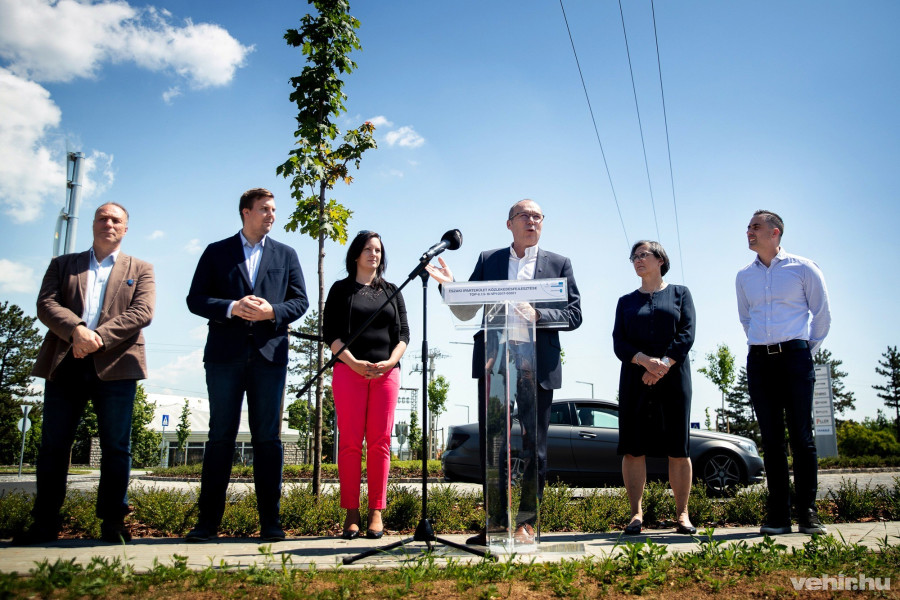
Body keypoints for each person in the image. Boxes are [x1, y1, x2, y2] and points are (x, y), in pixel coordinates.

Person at [426, 199, 582, 545]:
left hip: (535, 363)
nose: (532, 221)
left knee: (534, 445)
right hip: (495, 363)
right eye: (524, 215)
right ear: (509, 223)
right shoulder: (489, 260)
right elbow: (468, 311)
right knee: (493, 445)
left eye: (537, 216)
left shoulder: (559, 263)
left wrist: (539, 315)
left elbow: (574, 314)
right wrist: (450, 287)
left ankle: (527, 523)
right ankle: (495, 524)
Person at [15, 202, 155, 545]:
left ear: (125, 228)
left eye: (116, 220)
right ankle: (45, 523)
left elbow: (143, 312)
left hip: (117, 367)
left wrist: (97, 339)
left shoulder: (141, 268)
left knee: (116, 447)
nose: (109, 223)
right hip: (65, 363)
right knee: (53, 446)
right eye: (103, 218)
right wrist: (77, 331)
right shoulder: (63, 265)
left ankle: (113, 523)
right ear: (93, 224)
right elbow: (46, 305)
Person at [185, 188, 308, 542]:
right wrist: (230, 307)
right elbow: (195, 298)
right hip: (225, 357)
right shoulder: (216, 252)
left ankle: (271, 522)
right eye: (264, 209)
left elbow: (300, 301)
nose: (271, 215)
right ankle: (207, 523)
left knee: (268, 440)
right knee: (219, 437)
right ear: (245, 212)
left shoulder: (286, 254)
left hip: (269, 357)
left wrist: (274, 311)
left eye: (273, 210)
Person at [736, 210, 830, 535]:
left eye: (755, 227)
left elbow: (822, 316)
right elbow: (746, 319)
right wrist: (766, 348)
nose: (749, 231)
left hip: (795, 358)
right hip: (760, 361)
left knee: (802, 439)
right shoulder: (743, 276)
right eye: (748, 227)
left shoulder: (804, 268)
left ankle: (807, 513)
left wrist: (801, 351)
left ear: (775, 232)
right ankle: (778, 515)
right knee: (772, 441)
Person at [323, 231, 409, 540]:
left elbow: (403, 335)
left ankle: (376, 511)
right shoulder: (340, 290)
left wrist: (390, 362)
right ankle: (351, 512)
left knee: (380, 442)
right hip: (349, 371)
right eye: (368, 249)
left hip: (386, 374)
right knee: (349, 443)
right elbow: (329, 333)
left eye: (378, 250)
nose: (374, 254)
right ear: (356, 254)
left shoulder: (392, 291)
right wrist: (352, 363)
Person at [612, 241, 696, 536]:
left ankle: (682, 515)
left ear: (661, 259)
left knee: (678, 447)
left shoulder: (680, 294)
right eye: (633, 256)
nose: (637, 260)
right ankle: (636, 515)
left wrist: (662, 366)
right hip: (635, 378)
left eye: (643, 255)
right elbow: (619, 342)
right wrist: (645, 362)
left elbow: (686, 334)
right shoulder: (625, 302)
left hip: (674, 378)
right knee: (634, 448)